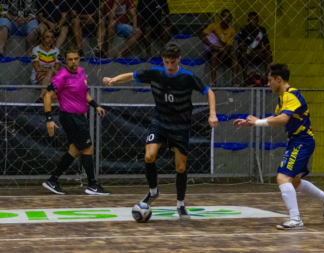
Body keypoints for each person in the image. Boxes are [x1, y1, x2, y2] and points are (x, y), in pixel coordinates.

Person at [103, 43, 218, 219]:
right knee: (149, 156)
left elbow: (209, 92)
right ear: (162, 61)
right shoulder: (155, 73)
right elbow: (132, 75)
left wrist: (212, 114)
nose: (170, 66)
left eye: (173, 62)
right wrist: (114, 80)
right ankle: (153, 191)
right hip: (160, 122)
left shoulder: (188, 77)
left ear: (179, 59)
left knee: (180, 167)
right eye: (166, 62)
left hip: (180, 126)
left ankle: (180, 205)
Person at [233, 64, 324, 230]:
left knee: (282, 178)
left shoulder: (291, 95)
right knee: (294, 181)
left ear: (278, 79)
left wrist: (258, 122)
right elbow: (277, 117)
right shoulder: (283, 98)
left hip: (302, 141)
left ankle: (295, 219)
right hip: (298, 141)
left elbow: (283, 119)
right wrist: (252, 123)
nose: (268, 84)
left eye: (269, 80)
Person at [43, 46, 109, 195]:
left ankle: (52, 180)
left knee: (74, 150)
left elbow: (84, 93)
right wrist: (49, 119)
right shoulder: (61, 76)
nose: (73, 62)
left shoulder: (81, 72)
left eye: (76, 59)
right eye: (70, 59)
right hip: (70, 117)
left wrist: (95, 105)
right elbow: (47, 96)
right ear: (65, 61)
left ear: (79, 59)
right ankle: (92, 185)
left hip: (79, 117)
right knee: (87, 148)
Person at [200, 9, 238, 87]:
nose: (226, 18)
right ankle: (214, 81)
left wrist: (220, 60)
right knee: (214, 54)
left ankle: (234, 81)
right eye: (224, 16)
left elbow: (227, 47)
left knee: (234, 55)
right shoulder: (214, 26)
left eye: (228, 17)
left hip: (225, 52)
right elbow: (202, 36)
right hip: (214, 50)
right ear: (221, 17)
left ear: (230, 19)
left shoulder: (231, 30)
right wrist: (212, 46)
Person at [238, 12, 272, 84]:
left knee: (269, 53)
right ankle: (245, 79)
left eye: (254, 19)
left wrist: (256, 51)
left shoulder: (261, 30)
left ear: (257, 20)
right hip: (247, 51)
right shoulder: (244, 29)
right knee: (243, 54)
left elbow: (267, 45)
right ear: (248, 20)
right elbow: (241, 46)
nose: (252, 21)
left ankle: (268, 79)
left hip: (258, 52)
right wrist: (249, 51)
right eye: (250, 19)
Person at [31, 29, 61, 103]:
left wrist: (46, 71)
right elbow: (37, 69)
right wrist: (50, 70)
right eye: (47, 37)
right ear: (42, 38)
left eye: (51, 37)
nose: (49, 39)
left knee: (51, 76)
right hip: (37, 77)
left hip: (51, 77)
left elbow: (57, 68)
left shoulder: (56, 51)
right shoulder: (36, 50)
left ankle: (41, 97)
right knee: (51, 76)